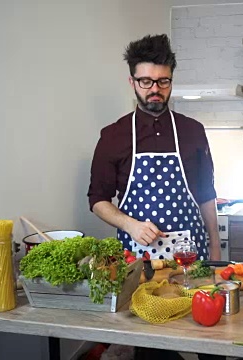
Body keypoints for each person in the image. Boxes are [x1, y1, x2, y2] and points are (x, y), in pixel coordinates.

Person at [88, 34, 220, 262]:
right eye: (146, 81)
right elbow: (98, 200)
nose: (155, 89)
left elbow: (206, 194)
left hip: (191, 256)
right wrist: (129, 225)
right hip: (136, 257)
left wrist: (215, 248)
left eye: (163, 81)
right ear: (133, 82)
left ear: (171, 81)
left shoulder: (193, 131)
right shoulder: (113, 136)